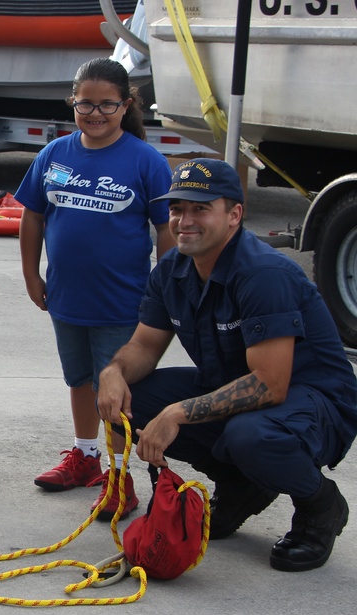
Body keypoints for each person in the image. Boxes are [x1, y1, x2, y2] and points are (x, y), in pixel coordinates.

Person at [97, 157, 357, 572]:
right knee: (131, 404)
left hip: (313, 401)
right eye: (177, 208)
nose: (184, 220)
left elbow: (270, 385)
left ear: (234, 214)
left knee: (250, 436)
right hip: (238, 387)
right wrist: (113, 374)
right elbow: (145, 345)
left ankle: (319, 505)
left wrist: (179, 412)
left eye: (200, 208)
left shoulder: (262, 274)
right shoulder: (173, 267)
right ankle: (242, 484)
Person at [15, 57, 174, 520]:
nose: (96, 113)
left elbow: (166, 230)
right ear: (73, 103)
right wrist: (31, 273)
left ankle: (120, 476)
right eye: (86, 104)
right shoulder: (54, 155)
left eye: (107, 104)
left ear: (126, 105)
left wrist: (163, 292)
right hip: (66, 298)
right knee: (80, 379)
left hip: (124, 303)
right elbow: (33, 215)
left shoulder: (146, 161)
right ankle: (86, 457)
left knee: (118, 391)